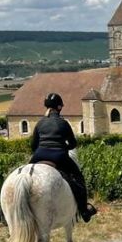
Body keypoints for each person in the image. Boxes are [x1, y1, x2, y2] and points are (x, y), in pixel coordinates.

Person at [30, 93, 96, 222]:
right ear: (59, 107)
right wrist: (63, 147)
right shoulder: (63, 123)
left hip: (39, 154)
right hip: (58, 156)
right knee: (78, 178)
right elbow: (73, 144)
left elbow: (33, 145)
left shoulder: (40, 123)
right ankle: (84, 211)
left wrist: (39, 152)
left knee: (25, 172)